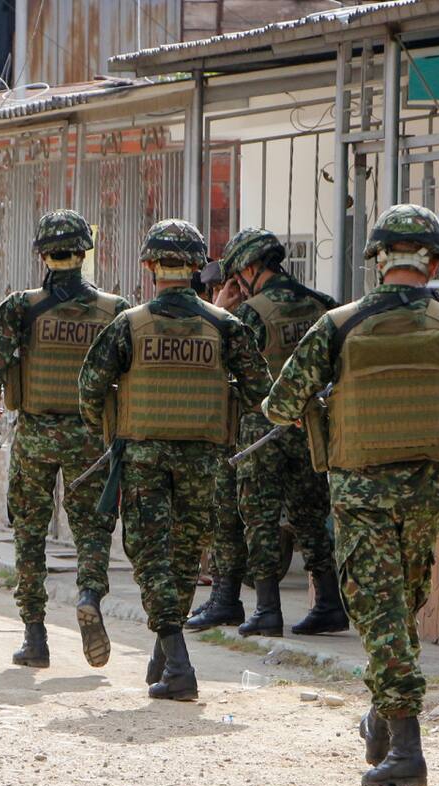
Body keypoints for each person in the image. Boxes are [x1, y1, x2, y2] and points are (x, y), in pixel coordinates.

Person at [264, 204, 439, 786]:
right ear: (435, 262)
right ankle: (387, 718)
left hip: (360, 490)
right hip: (424, 493)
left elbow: (279, 404)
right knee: (397, 608)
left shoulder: (338, 325)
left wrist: (325, 408)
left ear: (377, 259)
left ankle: (406, 751)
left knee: (381, 611)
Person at [79, 219, 270, 700]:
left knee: (150, 558)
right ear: (198, 266)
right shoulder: (226, 326)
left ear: (149, 266)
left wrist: (108, 428)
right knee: (185, 559)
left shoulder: (129, 325)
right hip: (204, 459)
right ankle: (163, 658)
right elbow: (262, 394)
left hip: (144, 456)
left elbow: (89, 389)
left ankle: (179, 665)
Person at [0, 209, 129, 669]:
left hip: (36, 435)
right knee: (91, 530)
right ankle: (88, 595)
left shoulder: (21, 307)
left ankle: (35, 636)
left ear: (43, 254)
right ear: (83, 252)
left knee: (29, 533)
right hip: (90, 436)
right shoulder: (115, 310)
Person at [210, 228, 347, 637]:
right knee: (311, 515)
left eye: (236, 276)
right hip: (311, 427)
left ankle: (267, 610)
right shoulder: (322, 305)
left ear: (249, 268)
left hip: (261, 428)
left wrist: (220, 309)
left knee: (260, 518)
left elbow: (220, 363)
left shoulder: (250, 314)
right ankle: (328, 603)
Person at [186, 261, 249, 630]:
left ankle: (228, 600)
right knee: (221, 522)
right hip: (223, 432)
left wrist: (222, 312)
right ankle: (220, 596)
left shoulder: (236, 323)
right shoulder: (220, 321)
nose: (223, 296)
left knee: (229, 522)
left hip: (242, 435)